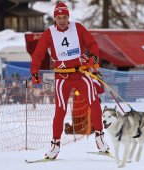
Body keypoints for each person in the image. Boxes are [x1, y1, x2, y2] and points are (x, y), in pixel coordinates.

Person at [30, 2, 109, 159]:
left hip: (81, 73)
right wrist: (34, 72)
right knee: (60, 110)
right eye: (58, 17)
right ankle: (55, 146)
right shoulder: (49, 33)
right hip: (62, 77)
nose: (62, 20)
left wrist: (93, 57)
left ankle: (100, 137)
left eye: (64, 17)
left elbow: (93, 44)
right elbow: (38, 54)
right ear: (55, 18)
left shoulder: (78, 28)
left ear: (68, 17)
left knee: (94, 102)